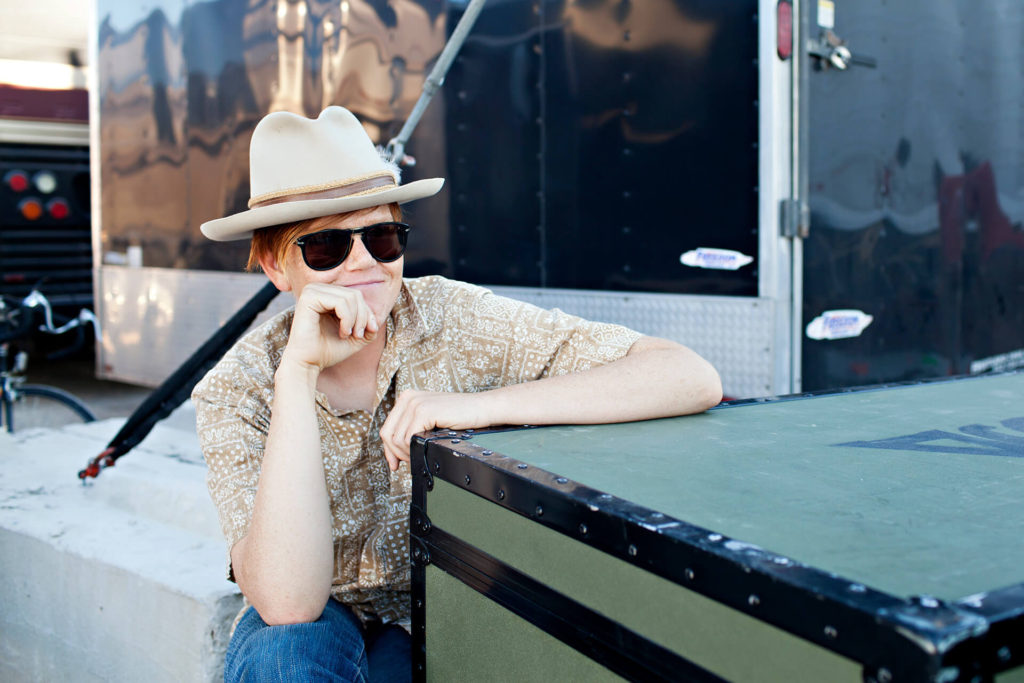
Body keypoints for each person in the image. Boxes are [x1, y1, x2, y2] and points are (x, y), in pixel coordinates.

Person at [192, 106, 722, 682]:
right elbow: (289, 605)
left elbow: (686, 375)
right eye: (325, 248)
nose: (365, 263)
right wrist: (297, 375)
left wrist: (479, 407)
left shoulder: (454, 318)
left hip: (443, 597)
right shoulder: (235, 388)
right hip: (319, 612)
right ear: (275, 265)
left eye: (383, 237)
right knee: (284, 658)